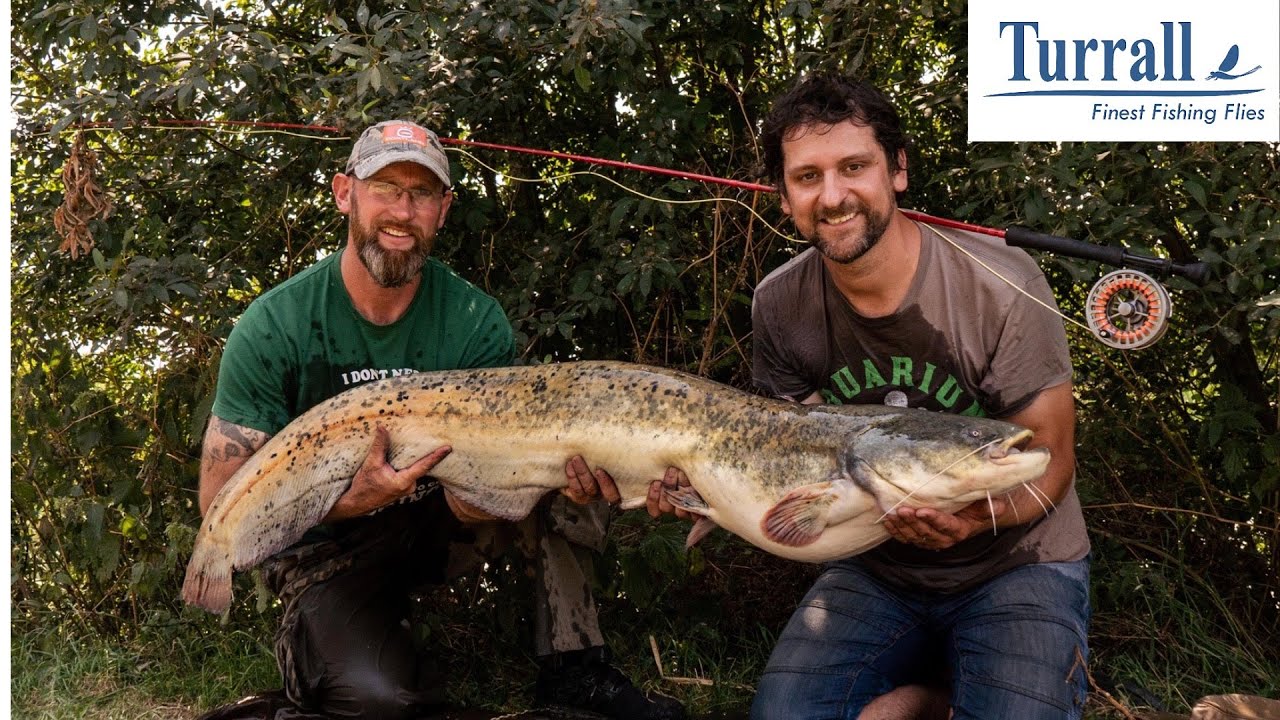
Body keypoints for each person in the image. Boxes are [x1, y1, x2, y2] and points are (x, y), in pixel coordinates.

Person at [195, 120, 685, 720]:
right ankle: (324, 675)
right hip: (323, 544)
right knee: (380, 703)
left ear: (444, 209)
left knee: (568, 467)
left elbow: (494, 473)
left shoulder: (475, 320)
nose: (402, 211)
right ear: (344, 192)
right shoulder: (275, 325)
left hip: (442, 513)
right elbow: (220, 501)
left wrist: (496, 494)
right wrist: (353, 499)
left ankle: (574, 667)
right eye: (384, 188)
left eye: (421, 194)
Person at [677, 74, 1087, 719]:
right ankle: (928, 698)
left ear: (897, 170)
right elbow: (785, 457)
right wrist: (694, 489)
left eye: (854, 167)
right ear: (783, 197)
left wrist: (971, 521)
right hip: (874, 568)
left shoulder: (1000, 286)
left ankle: (941, 694)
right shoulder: (779, 303)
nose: (833, 196)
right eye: (808, 177)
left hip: (1018, 563)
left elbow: (1052, 460)